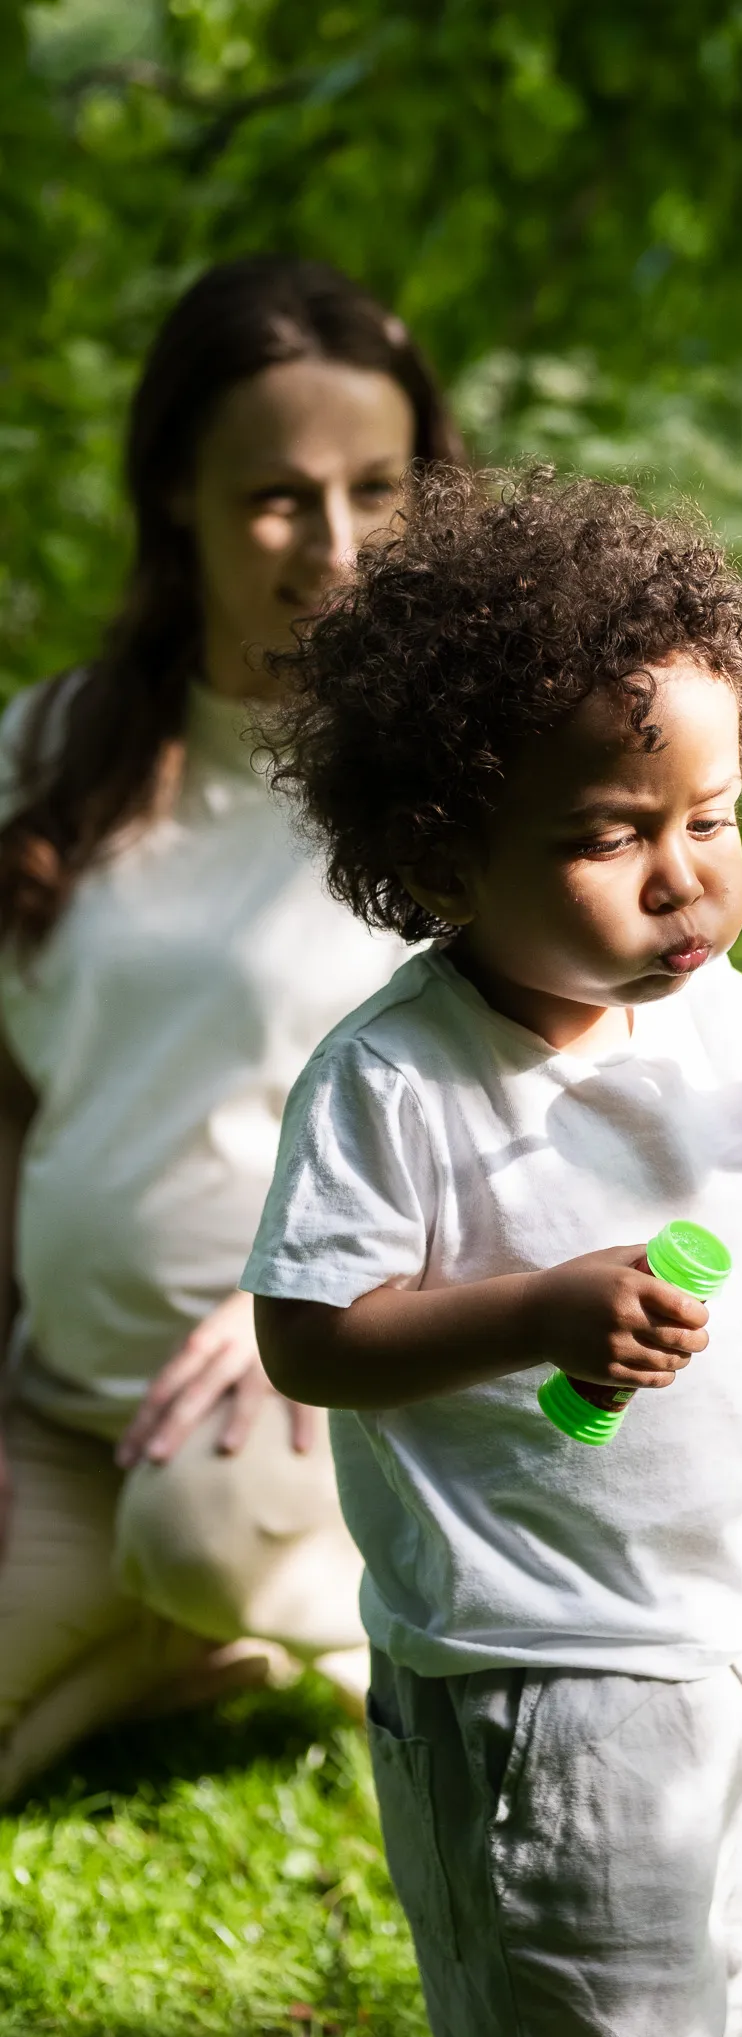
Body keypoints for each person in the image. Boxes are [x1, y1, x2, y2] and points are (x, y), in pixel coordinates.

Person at [245, 466, 742, 2037]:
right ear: (445, 860)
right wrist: (537, 1310)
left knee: (735, 1998)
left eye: (712, 819)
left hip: (728, 1620)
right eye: (613, 836)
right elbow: (310, 1339)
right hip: (528, 1666)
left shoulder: (718, 1015)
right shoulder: (396, 1081)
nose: (687, 879)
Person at [0, 256, 463, 1805]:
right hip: (62, 1416)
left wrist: (311, 1296)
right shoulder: (52, 752)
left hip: (320, 1396)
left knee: (200, 1531)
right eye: (277, 497)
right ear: (176, 502)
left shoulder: (467, 792)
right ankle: (204, 1645)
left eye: (378, 487)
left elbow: (555, 1116)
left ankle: (260, 1598)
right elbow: (13, 1099)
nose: (336, 547)